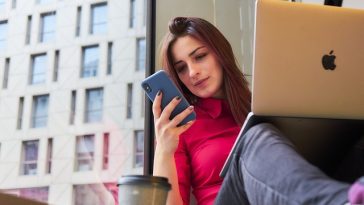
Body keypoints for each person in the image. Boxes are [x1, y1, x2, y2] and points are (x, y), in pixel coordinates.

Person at [151, 16, 353, 205]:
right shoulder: (181, 127)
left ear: (220, 53)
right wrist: (164, 150)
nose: (193, 72)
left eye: (200, 56)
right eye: (181, 68)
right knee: (253, 136)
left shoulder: (265, 104)